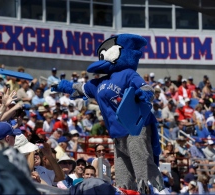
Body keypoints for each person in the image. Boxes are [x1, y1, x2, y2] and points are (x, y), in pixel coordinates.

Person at [52, 34, 165, 193]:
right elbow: (78, 88)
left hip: (135, 128)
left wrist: (143, 94)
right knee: (122, 177)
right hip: (117, 135)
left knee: (143, 167)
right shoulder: (97, 83)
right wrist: (61, 86)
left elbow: (146, 88)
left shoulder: (127, 73)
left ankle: (159, 191)